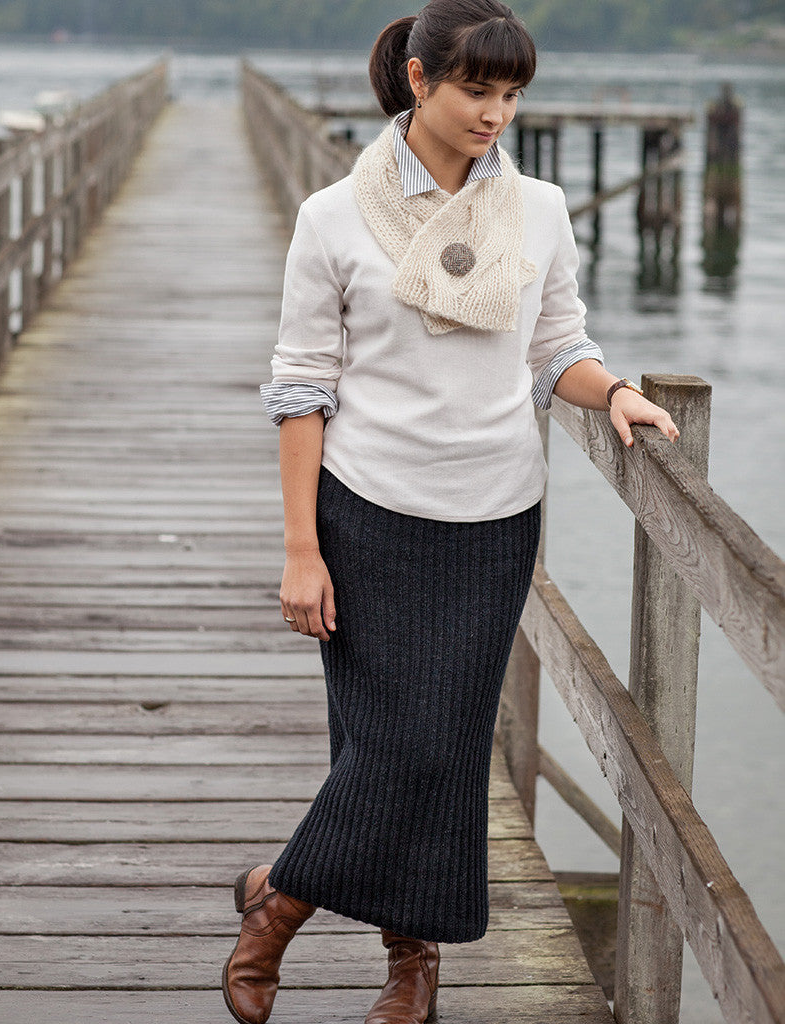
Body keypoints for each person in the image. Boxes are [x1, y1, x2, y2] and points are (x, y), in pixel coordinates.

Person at [223, 3, 679, 1023]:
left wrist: (612, 391)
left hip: (494, 517)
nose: (495, 114)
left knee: (446, 748)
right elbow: (301, 388)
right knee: (388, 744)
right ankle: (361, 943)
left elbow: (556, 346)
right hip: (367, 509)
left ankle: (305, 910)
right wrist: (301, 549)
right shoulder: (333, 218)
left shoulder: (541, 210)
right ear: (420, 80)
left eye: (512, 95)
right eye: (477, 89)